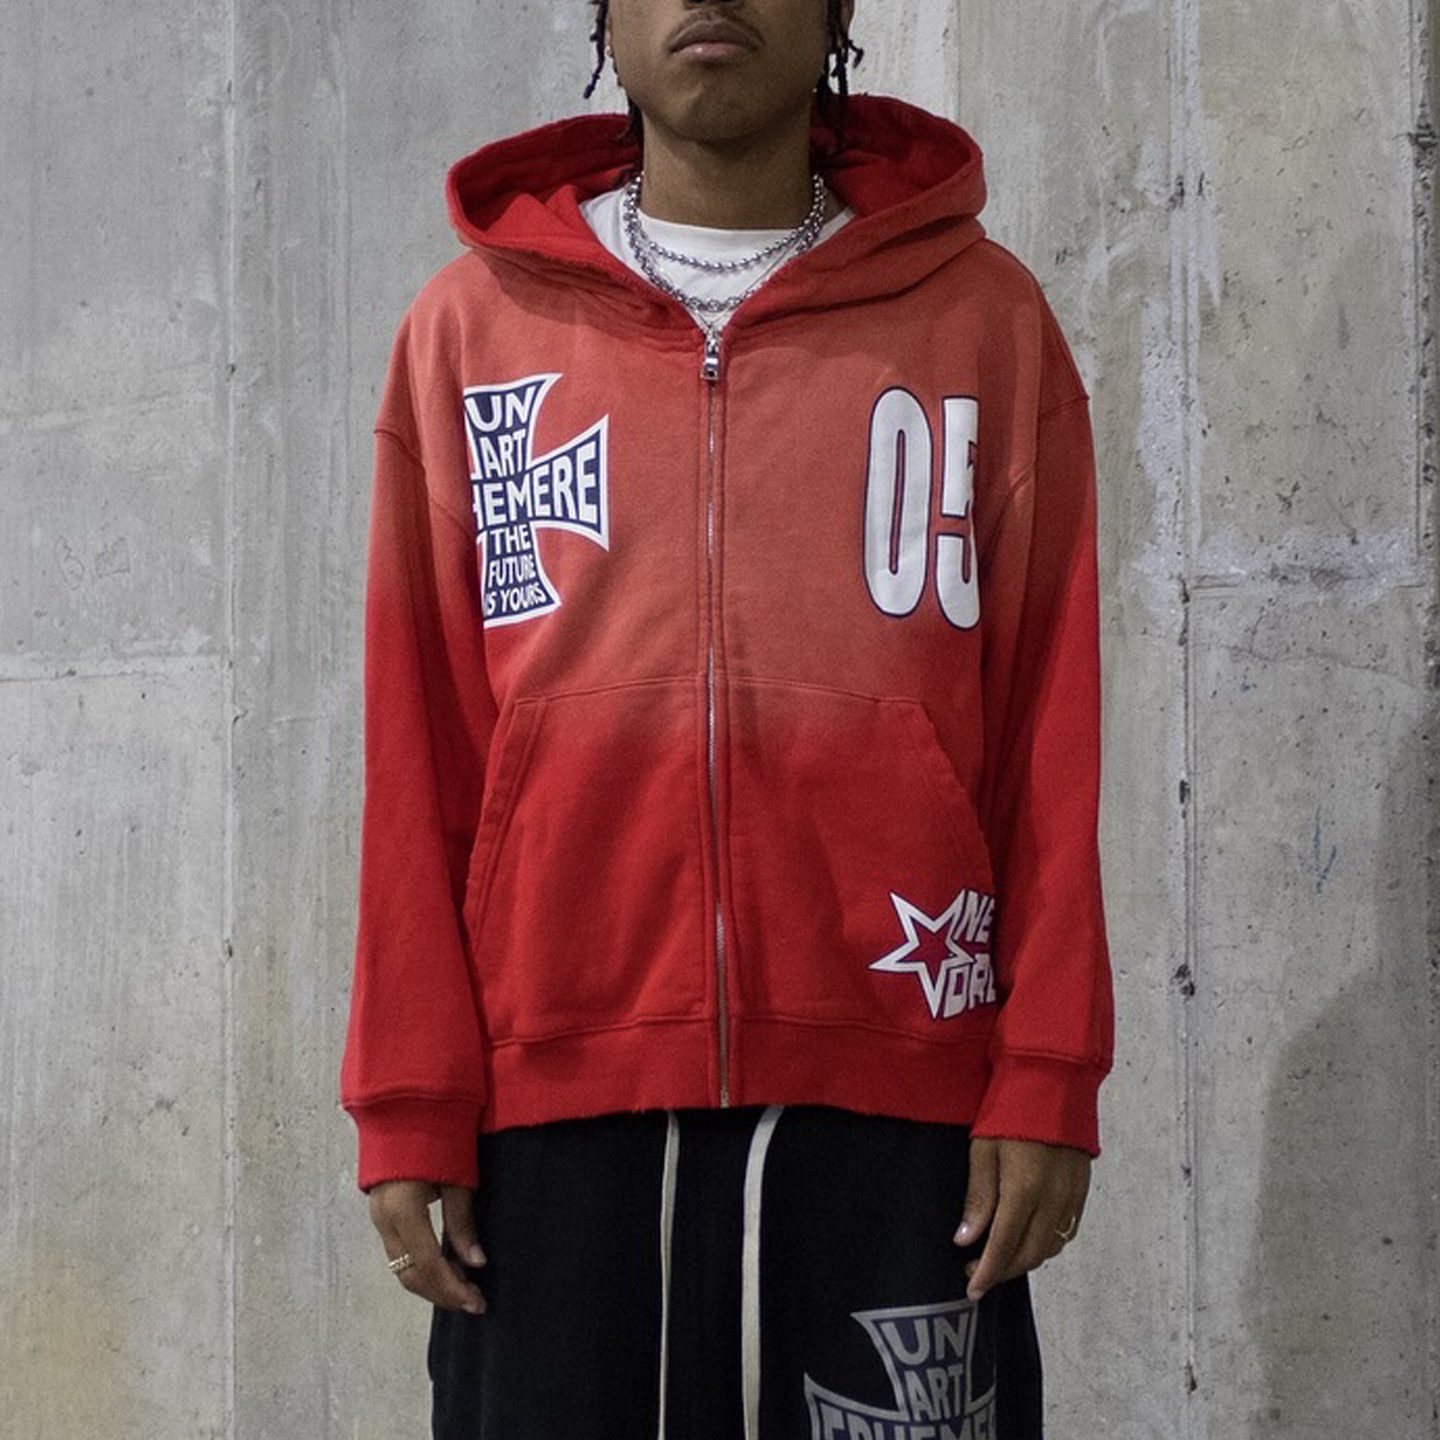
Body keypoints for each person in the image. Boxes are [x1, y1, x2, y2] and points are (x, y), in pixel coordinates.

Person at [341, 1, 1114, 1435]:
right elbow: (420, 746)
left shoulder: (982, 321)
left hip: (898, 1087)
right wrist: (407, 1092)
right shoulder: (471, 330)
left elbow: (1048, 736)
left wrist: (1048, 1071)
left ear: (837, 11)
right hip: (551, 1103)